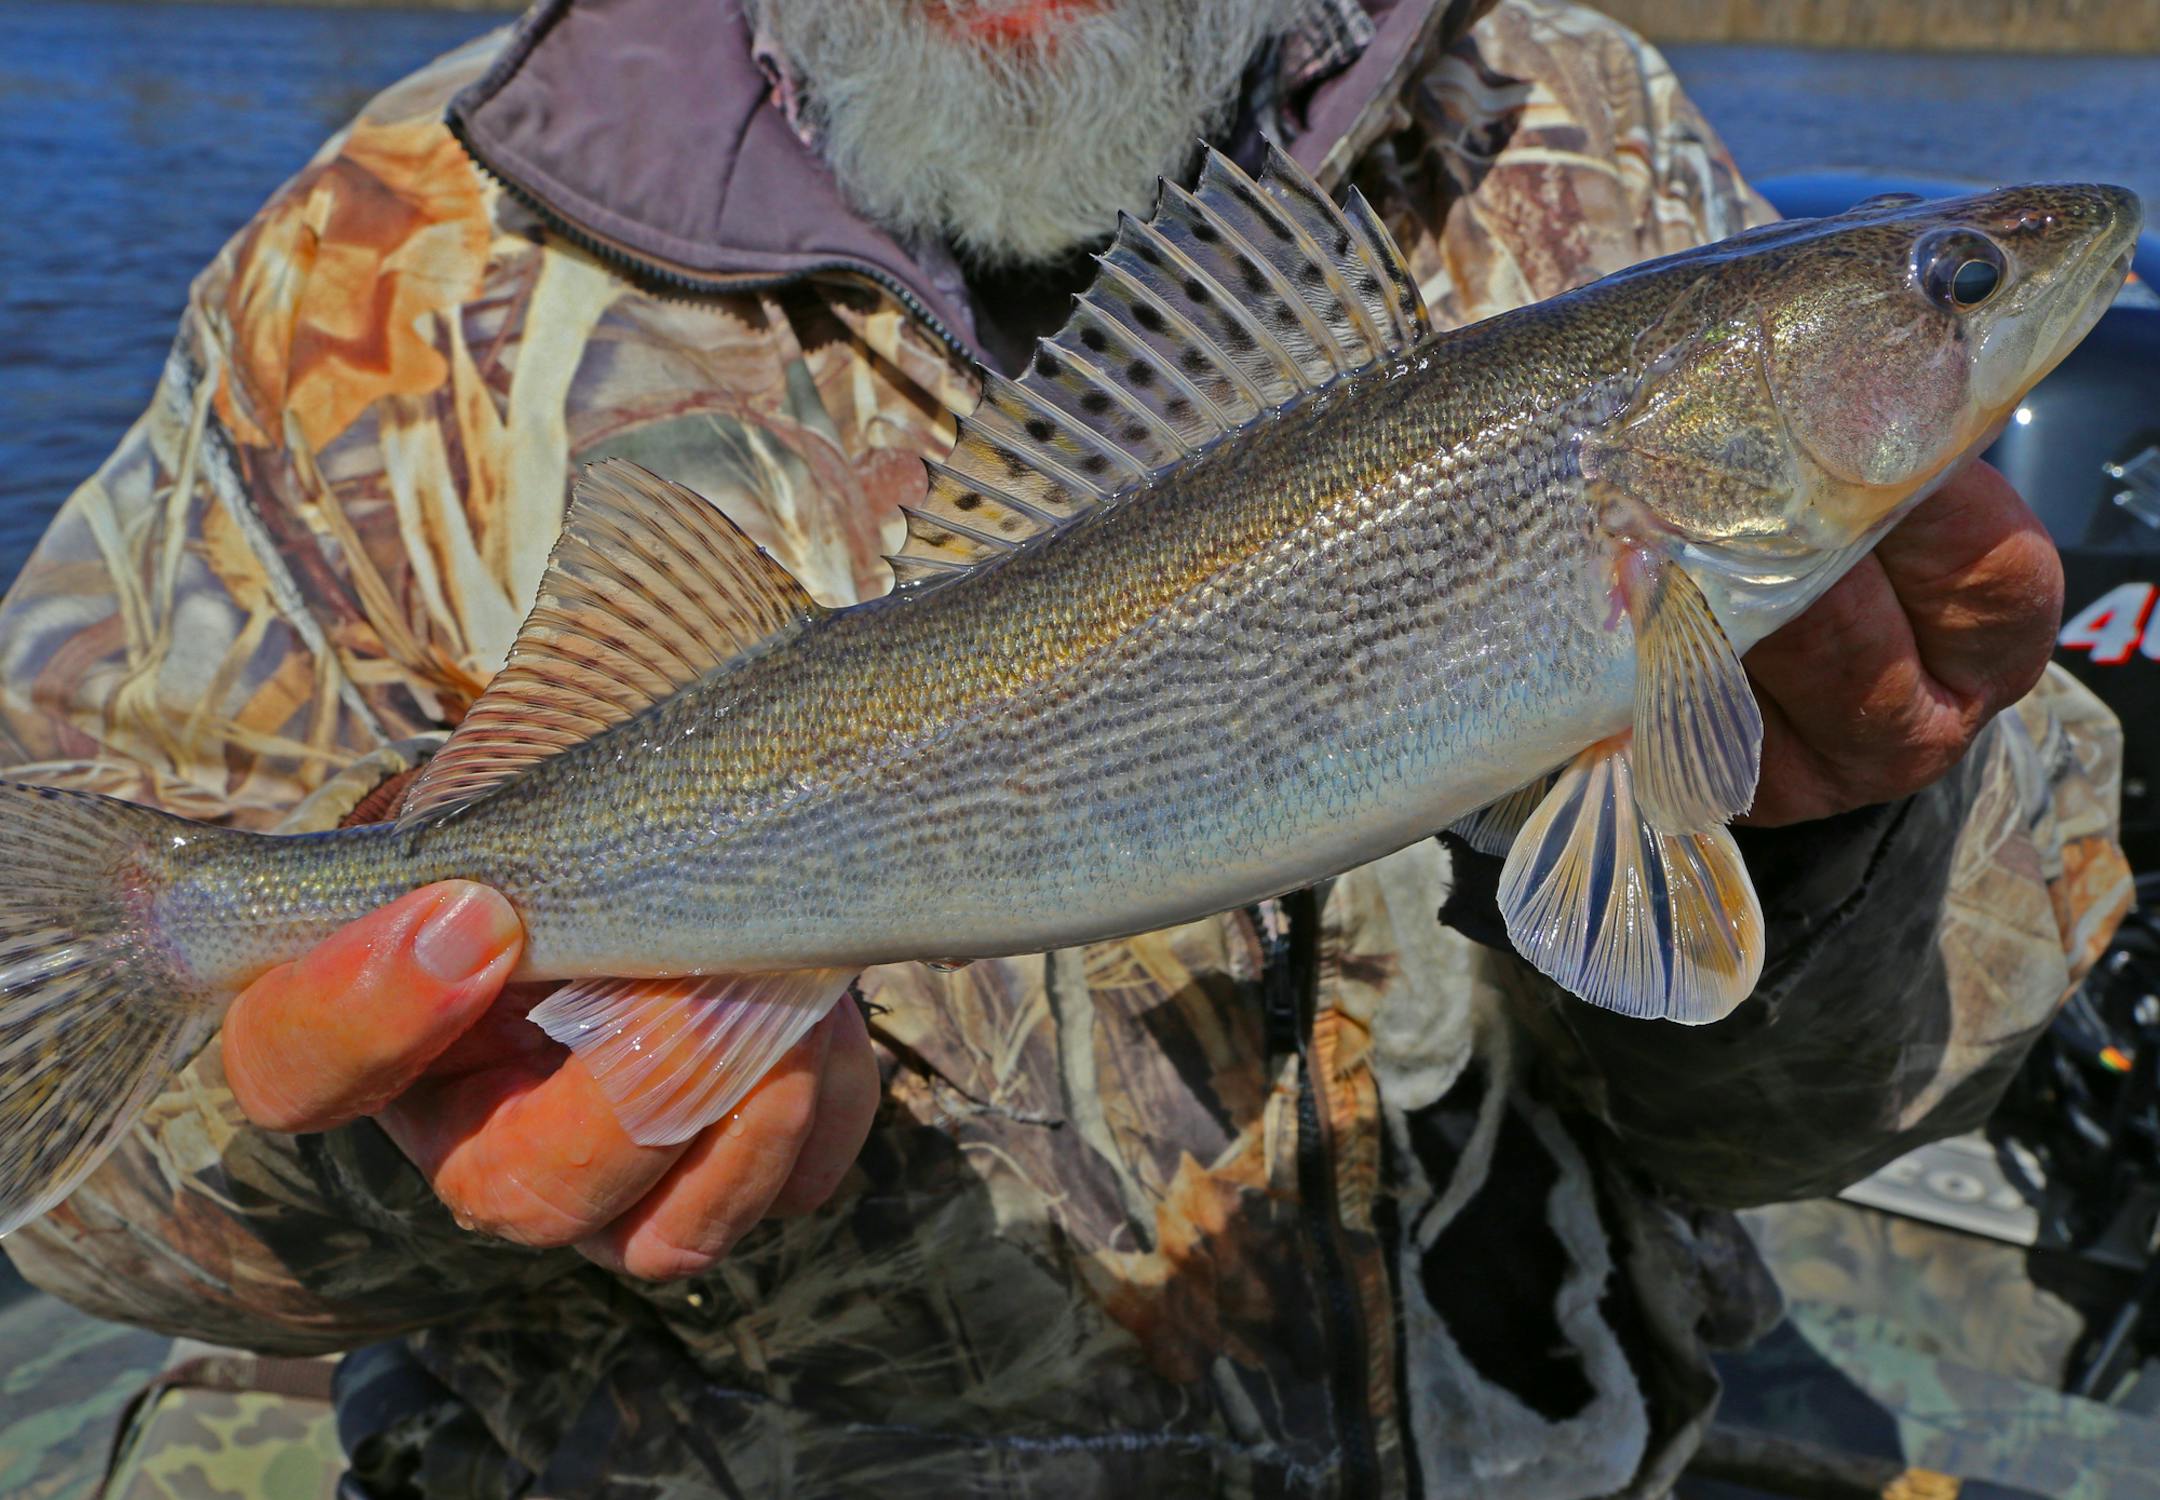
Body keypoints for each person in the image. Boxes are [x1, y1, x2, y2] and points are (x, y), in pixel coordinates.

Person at [0, 0, 2132, 1494]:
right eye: (1953, 282)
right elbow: (71, 1204)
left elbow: (1813, 1103)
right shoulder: (367, 265)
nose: (1988, 293)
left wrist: (1843, 836)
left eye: (1941, 288)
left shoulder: (1581, 148)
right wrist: (400, 1137)